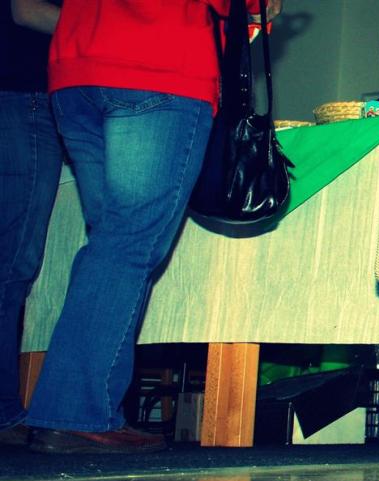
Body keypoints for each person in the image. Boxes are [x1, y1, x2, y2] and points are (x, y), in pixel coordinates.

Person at [22, 0, 283, 454]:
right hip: (158, 66)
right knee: (127, 245)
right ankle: (75, 412)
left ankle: (90, 410)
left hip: (76, 69)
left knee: (111, 242)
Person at [0, 0, 62, 447]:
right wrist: (106, 34)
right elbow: (26, 10)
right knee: (12, 266)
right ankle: (3, 412)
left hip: (23, 97)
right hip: (24, 97)